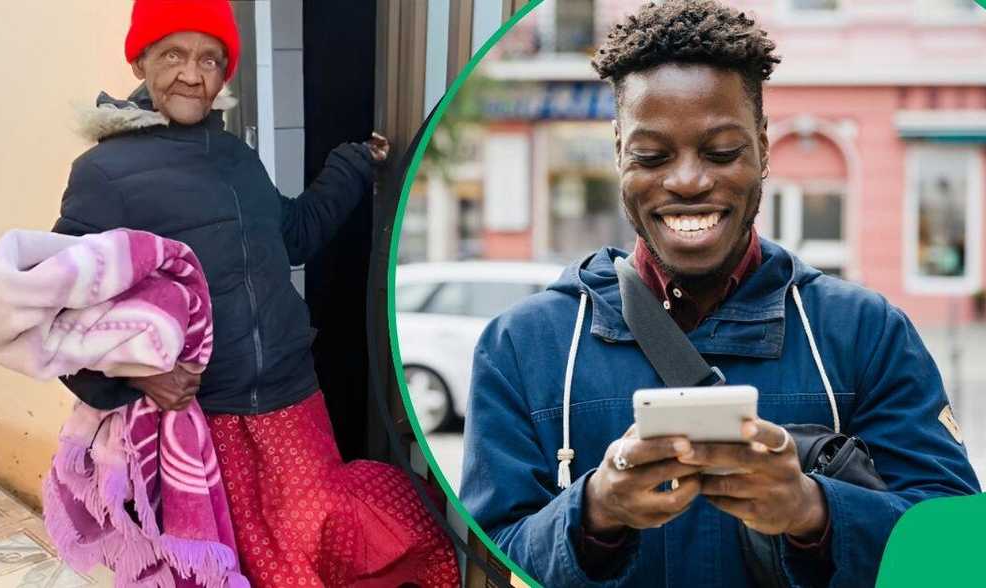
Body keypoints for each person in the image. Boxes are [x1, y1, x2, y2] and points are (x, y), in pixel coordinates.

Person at [459, 1, 980, 587]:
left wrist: (815, 511)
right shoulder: (520, 347)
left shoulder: (867, 332)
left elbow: (954, 545)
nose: (687, 181)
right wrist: (596, 512)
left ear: (762, 148)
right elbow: (484, 558)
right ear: (617, 153)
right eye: (652, 156)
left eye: (722, 152)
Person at [52, 1, 458, 586]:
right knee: (253, 565)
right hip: (205, 417)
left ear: (225, 74)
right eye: (173, 54)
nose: (192, 74)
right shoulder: (104, 173)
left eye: (210, 59)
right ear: (140, 61)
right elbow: (55, 312)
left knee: (320, 530)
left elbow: (291, 236)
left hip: (293, 396)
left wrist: (351, 165)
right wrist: (137, 377)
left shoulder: (237, 158)